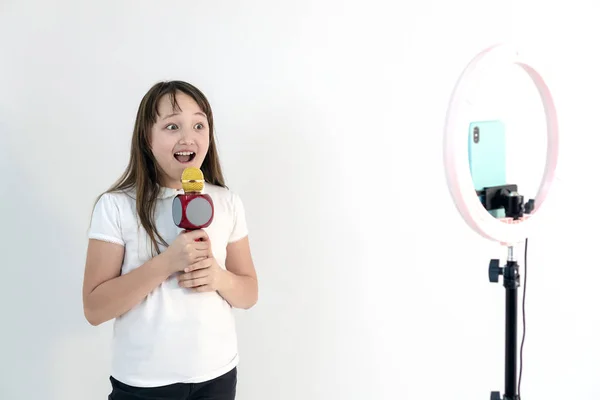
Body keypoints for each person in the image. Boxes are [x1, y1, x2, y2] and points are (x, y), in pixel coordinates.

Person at [82, 80, 258, 400]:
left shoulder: (227, 202)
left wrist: (217, 277)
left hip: (217, 374)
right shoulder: (117, 206)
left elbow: (248, 293)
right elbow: (94, 308)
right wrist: (166, 264)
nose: (187, 137)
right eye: (172, 126)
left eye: (199, 125)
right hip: (144, 384)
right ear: (147, 139)